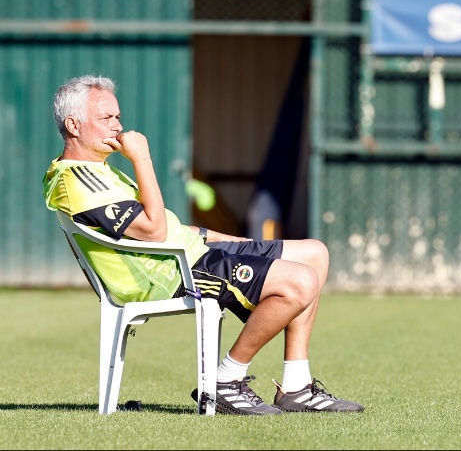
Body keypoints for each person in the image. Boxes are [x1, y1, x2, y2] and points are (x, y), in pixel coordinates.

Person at [43, 74, 363, 416]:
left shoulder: (100, 170)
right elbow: (153, 233)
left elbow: (174, 228)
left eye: (118, 117)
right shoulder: (75, 179)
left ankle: (296, 386)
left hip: (192, 255)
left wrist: (238, 242)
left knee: (314, 253)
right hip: (167, 273)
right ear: (74, 125)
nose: (117, 126)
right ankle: (225, 381)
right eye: (106, 118)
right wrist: (142, 159)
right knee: (301, 281)